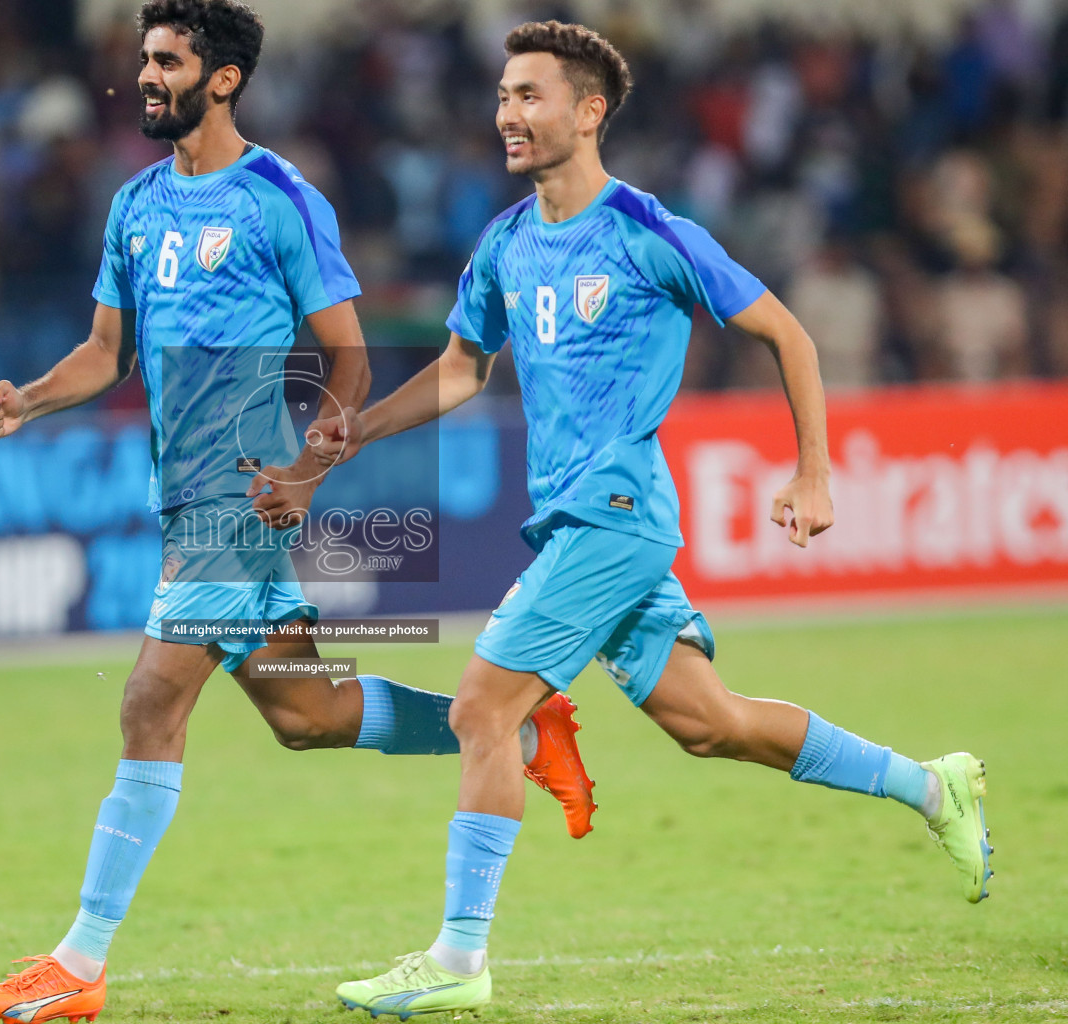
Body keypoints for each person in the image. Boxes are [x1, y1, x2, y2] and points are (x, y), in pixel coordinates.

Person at [308, 22, 992, 1018]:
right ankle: (936, 787)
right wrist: (359, 430)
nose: (508, 112)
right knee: (708, 724)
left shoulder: (648, 229)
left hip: (614, 519)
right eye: (503, 94)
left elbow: (785, 332)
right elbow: (463, 365)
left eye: (531, 95)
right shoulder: (503, 240)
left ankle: (458, 961)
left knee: (481, 709)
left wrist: (813, 473)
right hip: (581, 524)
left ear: (588, 112)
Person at [0, 3, 595, 1021]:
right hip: (187, 496)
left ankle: (78, 964)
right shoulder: (133, 204)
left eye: (168, 61)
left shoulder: (279, 199)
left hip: (240, 498)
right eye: (144, 60)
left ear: (223, 80)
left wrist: (303, 470)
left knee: (147, 705)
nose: (146, 78)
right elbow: (104, 350)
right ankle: (519, 733)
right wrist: (26, 399)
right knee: (307, 713)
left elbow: (345, 353)